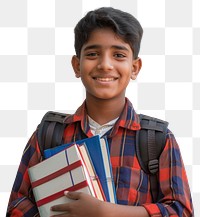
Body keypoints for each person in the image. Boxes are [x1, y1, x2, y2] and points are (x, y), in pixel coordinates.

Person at [7, 7, 193, 217]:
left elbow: (181, 211)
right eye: (93, 54)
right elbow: (16, 205)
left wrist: (106, 212)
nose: (105, 65)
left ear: (135, 68)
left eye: (118, 55)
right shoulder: (49, 134)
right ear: (77, 65)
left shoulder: (156, 140)